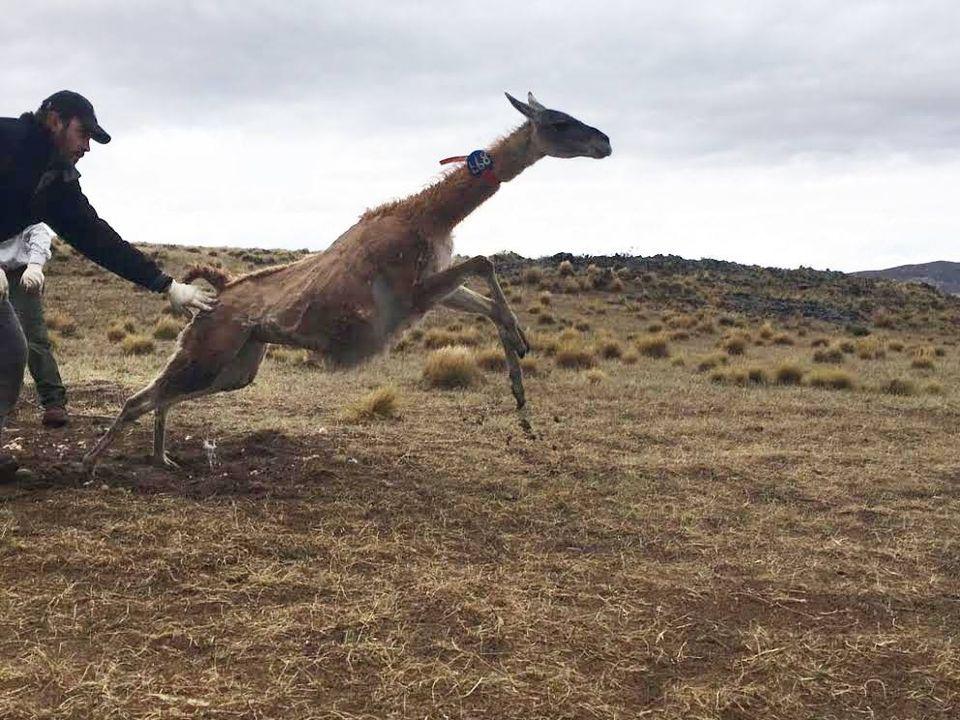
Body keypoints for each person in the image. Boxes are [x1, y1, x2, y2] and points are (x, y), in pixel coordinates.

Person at [1, 90, 216, 481]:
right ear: (54, 120)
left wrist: (165, 285)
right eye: (83, 134)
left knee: (10, 352)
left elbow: (97, 238)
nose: (87, 146)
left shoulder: (56, 184)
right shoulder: (8, 139)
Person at [1, 223, 69, 427]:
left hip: (21, 275)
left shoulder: (16, 196)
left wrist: (35, 265)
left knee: (33, 339)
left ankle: (54, 402)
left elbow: (38, 230)